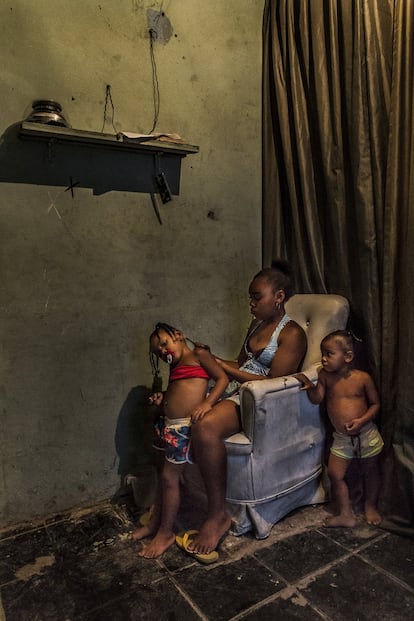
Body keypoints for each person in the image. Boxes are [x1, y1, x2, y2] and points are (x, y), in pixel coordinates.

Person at [187, 259, 307, 555]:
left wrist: (219, 366)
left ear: (278, 297)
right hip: (240, 387)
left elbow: (273, 381)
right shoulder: (256, 325)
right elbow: (241, 365)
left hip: (258, 399)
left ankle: (217, 516)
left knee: (206, 426)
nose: (251, 304)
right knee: (182, 391)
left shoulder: (291, 333)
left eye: (257, 297)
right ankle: (171, 495)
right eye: (250, 298)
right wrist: (208, 358)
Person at [133, 322, 229, 558]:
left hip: (183, 428)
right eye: (159, 351)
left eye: (165, 344)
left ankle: (165, 532)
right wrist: (163, 398)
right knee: (162, 475)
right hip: (169, 426)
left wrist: (207, 403)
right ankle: (156, 523)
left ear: (178, 335)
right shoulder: (176, 364)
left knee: (169, 478)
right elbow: (182, 392)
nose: (164, 352)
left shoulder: (198, 354)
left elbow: (222, 378)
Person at [294, 330, 383, 527]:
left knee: (371, 472)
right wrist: (309, 385)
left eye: (329, 354)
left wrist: (361, 420)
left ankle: (370, 505)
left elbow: (376, 404)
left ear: (348, 356)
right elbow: (318, 399)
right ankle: (346, 514)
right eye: (322, 354)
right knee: (335, 474)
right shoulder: (325, 376)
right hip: (342, 438)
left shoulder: (362, 378)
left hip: (366, 434)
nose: (323, 359)